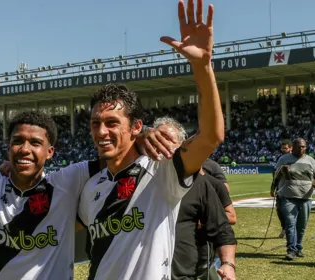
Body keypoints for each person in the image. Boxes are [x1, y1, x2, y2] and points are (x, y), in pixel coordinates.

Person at [0, 21, 174, 280]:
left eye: (35, 143)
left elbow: (117, 152)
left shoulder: (68, 182)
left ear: (50, 152)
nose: (25, 149)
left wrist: (143, 136)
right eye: (18, 141)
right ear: (7, 147)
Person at [77, 1, 231, 279]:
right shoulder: (89, 187)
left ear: (137, 126)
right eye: (95, 123)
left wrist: (202, 67)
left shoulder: (163, 173)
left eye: (112, 123)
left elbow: (211, 136)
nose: (101, 132)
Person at [150, 117, 236, 280]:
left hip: (185, 274)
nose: (162, 145)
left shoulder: (202, 183)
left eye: (168, 140)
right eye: (157, 139)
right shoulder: (135, 181)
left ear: (182, 147)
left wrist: (228, 264)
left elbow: (223, 229)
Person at [274, 138, 315, 261]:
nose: (302, 149)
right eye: (299, 147)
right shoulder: (284, 159)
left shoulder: (310, 160)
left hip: (306, 197)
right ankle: (291, 249)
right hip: (288, 197)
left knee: (302, 225)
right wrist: (275, 186)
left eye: (304, 147)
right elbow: (277, 175)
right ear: (293, 147)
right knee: (290, 223)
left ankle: (299, 247)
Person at [270, 139, 292, 238]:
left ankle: (291, 229)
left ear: (291, 148)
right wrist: (273, 187)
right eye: (282, 148)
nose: (283, 150)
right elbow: (276, 173)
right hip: (281, 188)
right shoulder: (281, 158)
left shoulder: (296, 158)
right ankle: (284, 228)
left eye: (285, 148)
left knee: (291, 210)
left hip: (293, 189)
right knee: (279, 209)